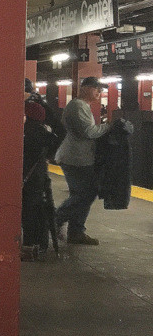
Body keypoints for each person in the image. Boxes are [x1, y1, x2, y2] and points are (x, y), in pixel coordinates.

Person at [53, 75, 113, 245]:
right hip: (75, 159)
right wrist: (108, 125)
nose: (99, 92)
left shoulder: (81, 106)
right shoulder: (78, 106)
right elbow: (89, 132)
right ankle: (56, 219)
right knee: (86, 194)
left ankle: (76, 231)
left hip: (79, 157)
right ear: (85, 88)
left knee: (81, 194)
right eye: (96, 88)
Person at [22, 96, 60, 257]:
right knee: (39, 211)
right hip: (39, 178)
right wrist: (45, 104)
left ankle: (29, 245)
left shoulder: (23, 133)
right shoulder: (45, 135)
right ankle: (38, 244)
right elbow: (61, 130)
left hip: (26, 178)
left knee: (27, 211)